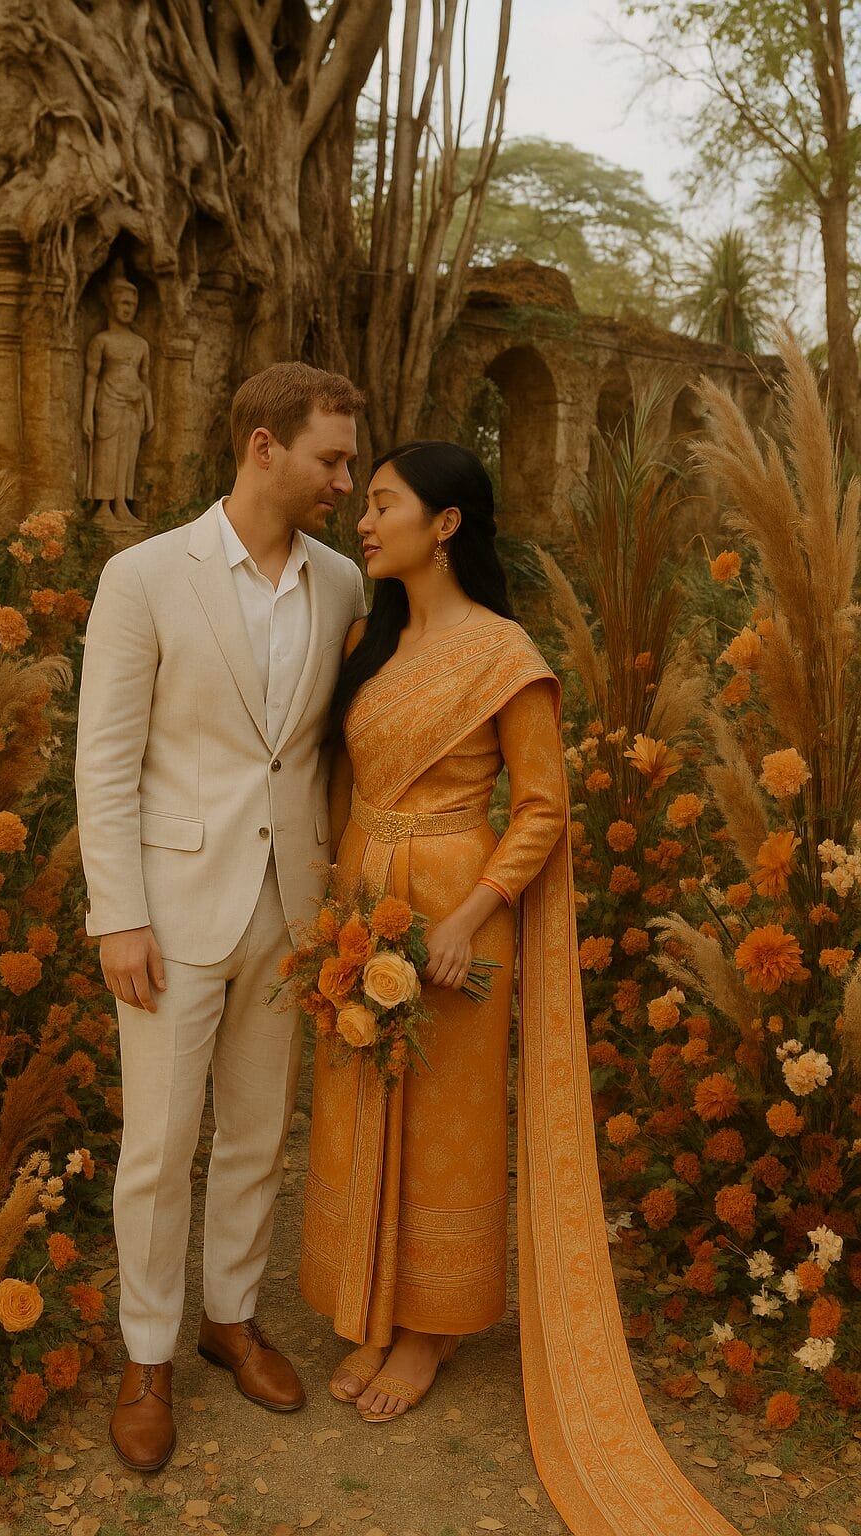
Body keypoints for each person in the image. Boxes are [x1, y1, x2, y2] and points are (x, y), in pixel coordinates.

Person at [300, 442, 739, 1535]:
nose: (365, 519)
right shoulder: (370, 641)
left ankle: (430, 1328)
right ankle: (375, 1295)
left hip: (456, 914)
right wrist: (338, 912)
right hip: (364, 900)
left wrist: (467, 912)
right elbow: (342, 784)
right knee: (363, 1102)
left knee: (444, 1110)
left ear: (445, 524)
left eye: (385, 503)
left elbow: (542, 807)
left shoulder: (505, 656)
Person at [75, 361, 367, 1474]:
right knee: (157, 1146)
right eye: (329, 458)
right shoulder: (145, 576)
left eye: (347, 463)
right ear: (263, 447)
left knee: (256, 1133)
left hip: (287, 908)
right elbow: (104, 757)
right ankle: (145, 1352)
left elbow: (322, 746)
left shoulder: (341, 582)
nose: (343, 478)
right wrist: (118, 915)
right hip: (168, 909)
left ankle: (228, 1319)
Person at [82, 273, 154, 532]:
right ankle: (103, 506)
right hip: (108, 402)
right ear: (112, 305)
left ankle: (122, 504)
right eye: (123, 303)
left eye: (132, 305)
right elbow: (91, 378)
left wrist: (150, 412)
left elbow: (144, 379)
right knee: (107, 452)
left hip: (133, 404)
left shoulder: (141, 343)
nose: (128, 309)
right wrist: (86, 414)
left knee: (128, 454)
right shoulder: (101, 340)